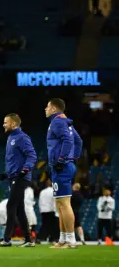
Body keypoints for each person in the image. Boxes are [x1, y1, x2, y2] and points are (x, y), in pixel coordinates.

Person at [0, 113, 36, 247]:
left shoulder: (22, 138)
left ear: (14, 124)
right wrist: (7, 174)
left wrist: (25, 170)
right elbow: (14, 160)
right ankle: (28, 240)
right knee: (19, 209)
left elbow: (32, 155)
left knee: (10, 205)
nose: (3, 125)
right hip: (13, 176)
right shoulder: (11, 138)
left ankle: (6, 239)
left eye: (6, 122)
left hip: (20, 177)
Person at [45, 98, 82, 249]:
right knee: (60, 204)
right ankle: (62, 239)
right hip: (64, 166)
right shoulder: (66, 122)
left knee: (64, 204)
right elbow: (78, 141)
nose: (45, 109)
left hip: (62, 166)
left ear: (54, 108)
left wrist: (62, 160)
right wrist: (74, 158)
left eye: (47, 106)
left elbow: (67, 141)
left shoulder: (57, 122)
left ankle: (71, 241)